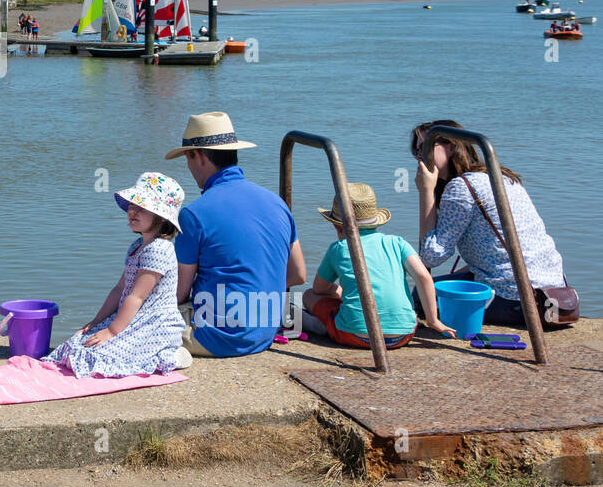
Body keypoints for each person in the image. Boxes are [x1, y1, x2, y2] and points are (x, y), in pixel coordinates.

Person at [166, 111, 306, 357]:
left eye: (187, 159)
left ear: (196, 155)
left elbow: (178, 293)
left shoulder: (194, 214)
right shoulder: (277, 203)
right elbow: (298, 274)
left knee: (135, 318)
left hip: (218, 338)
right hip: (265, 332)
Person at [411, 120, 570, 327]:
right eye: (415, 150)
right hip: (554, 294)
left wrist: (426, 191)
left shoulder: (461, 187)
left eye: (425, 146)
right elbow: (497, 250)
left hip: (517, 300)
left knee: (422, 294)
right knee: (441, 284)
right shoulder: (501, 176)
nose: (418, 155)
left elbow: (430, 256)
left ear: (451, 146)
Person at [43, 173, 192, 376]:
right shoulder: (138, 246)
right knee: (78, 344)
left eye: (142, 207)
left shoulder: (160, 249)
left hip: (155, 325)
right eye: (132, 204)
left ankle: (170, 355)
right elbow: (120, 289)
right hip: (134, 317)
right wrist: (96, 323)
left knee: (102, 355)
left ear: (161, 215)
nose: (132, 210)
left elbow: (136, 296)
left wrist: (112, 331)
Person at [302, 181, 454, 349]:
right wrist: (433, 320)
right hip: (403, 335)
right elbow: (424, 276)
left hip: (354, 335)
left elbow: (319, 289)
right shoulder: (398, 243)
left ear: (336, 226)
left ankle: (320, 326)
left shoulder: (338, 248)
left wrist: (338, 291)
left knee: (308, 296)